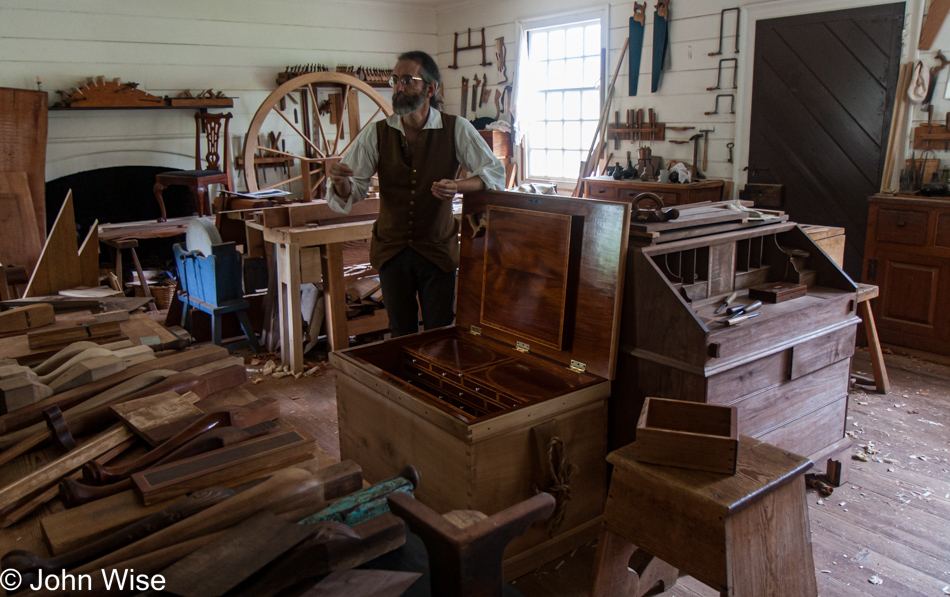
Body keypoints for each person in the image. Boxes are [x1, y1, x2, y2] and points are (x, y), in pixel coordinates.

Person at [327, 50, 505, 338]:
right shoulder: (377, 133)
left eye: (408, 80)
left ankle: (437, 382)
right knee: (400, 332)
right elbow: (352, 191)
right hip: (391, 251)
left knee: (440, 329)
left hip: (437, 250)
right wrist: (340, 182)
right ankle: (405, 383)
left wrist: (458, 186)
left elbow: (495, 175)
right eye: (395, 80)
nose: (398, 87)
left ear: (430, 88)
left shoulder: (456, 128)